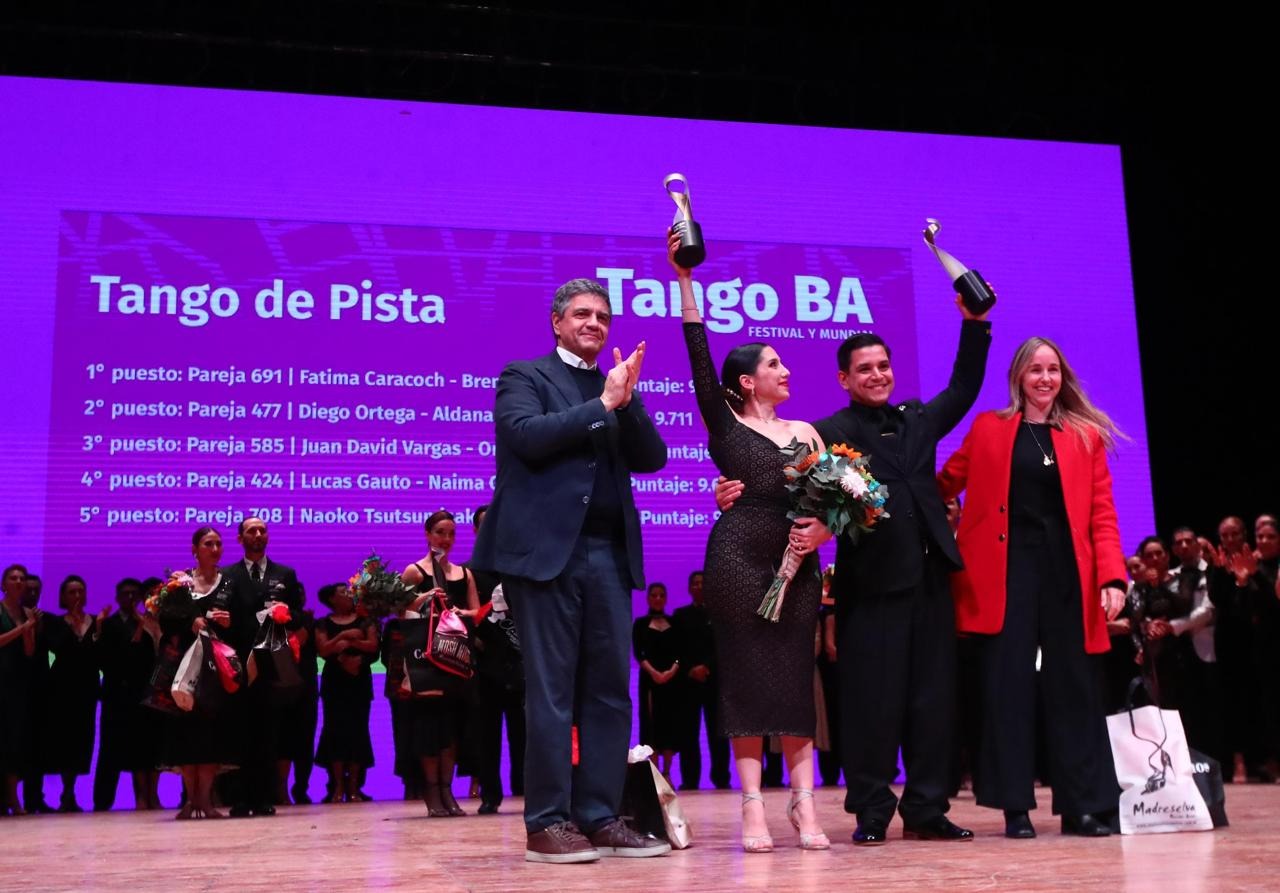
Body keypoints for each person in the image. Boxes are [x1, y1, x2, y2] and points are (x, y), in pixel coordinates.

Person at [471, 276, 670, 863]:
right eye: (582, 314)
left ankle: (601, 816)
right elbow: (524, 437)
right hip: (547, 557)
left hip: (609, 554)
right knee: (553, 693)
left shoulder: (615, 387)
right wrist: (604, 404)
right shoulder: (525, 376)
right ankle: (547, 823)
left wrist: (626, 403)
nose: (594, 324)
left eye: (603, 317)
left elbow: (653, 458)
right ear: (557, 322)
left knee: (610, 693)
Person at [671, 233, 832, 852]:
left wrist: (823, 530)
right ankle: (751, 809)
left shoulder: (807, 430)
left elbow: (842, 502)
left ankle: (804, 805)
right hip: (737, 556)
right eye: (773, 364)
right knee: (743, 677)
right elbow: (696, 352)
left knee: (794, 676)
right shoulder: (724, 419)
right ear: (745, 380)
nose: (785, 370)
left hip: (798, 564)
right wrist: (684, 279)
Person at [938, 335, 1125, 838]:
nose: (1045, 378)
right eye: (1035, 370)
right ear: (1018, 376)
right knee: (1006, 688)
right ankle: (1013, 806)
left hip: (1069, 575)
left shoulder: (1085, 436)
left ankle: (1082, 805)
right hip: (1005, 574)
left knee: (1076, 690)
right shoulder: (989, 428)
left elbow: (1103, 515)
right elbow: (943, 483)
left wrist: (1112, 577)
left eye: (1053, 370)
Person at [400, 509, 481, 817]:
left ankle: (448, 790)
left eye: (451, 533)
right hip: (426, 661)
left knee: (452, 729)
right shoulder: (414, 571)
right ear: (427, 535)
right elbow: (400, 613)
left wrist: (460, 613)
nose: (446, 539)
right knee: (428, 729)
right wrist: (424, 600)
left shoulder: (464, 573)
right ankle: (431, 792)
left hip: (457, 660)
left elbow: (476, 612)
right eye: (440, 533)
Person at [221, 515, 303, 817]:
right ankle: (240, 798)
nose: (258, 534)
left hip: (272, 662)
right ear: (240, 538)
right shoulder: (227, 575)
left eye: (262, 530)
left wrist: (284, 613)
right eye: (251, 531)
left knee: (268, 733)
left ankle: (263, 797)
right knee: (240, 731)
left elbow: (298, 613)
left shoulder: (285, 573)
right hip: (239, 661)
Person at [159, 526, 240, 820]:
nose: (215, 548)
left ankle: (205, 800)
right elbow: (165, 621)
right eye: (209, 543)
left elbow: (243, 624)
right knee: (185, 735)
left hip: (216, 668)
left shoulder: (229, 583)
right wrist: (188, 623)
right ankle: (190, 800)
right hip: (184, 667)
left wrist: (230, 623)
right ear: (195, 549)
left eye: (219, 543)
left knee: (211, 736)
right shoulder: (179, 584)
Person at [466, 503, 526, 815]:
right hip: (485, 666)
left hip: (522, 663)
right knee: (487, 734)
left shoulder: (522, 567)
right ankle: (490, 794)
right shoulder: (468, 572)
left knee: (526, 733)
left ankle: (529, 791)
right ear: (477, 531)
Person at [94, 577, 163, 811]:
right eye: (126, 594)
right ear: (118, 597)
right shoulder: (110, 624)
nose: (131, 598)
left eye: (135, 594)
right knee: (111, 751)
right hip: (116, 695)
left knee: (146, 746)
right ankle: (103, 802)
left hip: (144, 693)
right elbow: (107, 659)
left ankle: (148, 796)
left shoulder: (149, 622)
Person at [314, 583, 379, 803]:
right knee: (335, 732)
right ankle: (337, 786)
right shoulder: (323, 623)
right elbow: (323, 650)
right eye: (344, 592)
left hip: (359, 682)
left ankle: (354, 787)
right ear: (332, 599)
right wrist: (344, 637)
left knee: (358, 731)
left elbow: (373, 646)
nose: (349, 595)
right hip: (335, 684)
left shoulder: (365, 620)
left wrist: (351, 643)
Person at [42, 575, 101, 812]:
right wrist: (74, 625)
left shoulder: (97, 621)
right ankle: (66, 792)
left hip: (87, 688)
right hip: (62, 689)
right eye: (71, 592)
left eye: (80, 591)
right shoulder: (55, 622)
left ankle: (73, 788)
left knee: (83, 739)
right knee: (64, 739)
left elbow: (99, 652)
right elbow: (56, 647)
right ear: (63, 597)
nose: (77, 596)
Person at [671, 569, 730, 791]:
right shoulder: (680, 615)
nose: (699, 586)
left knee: (719, 733)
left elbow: (723, 647)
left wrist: (707, 667)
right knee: (689, 733)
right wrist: (689, 668)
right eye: (695, 583)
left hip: (714, 681)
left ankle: (722, 778)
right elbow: (676, 647)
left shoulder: (721, 615)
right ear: (689, 588)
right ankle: (690, 779)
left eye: (703, 582)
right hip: (688, 683)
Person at [0, 563, 39, 815]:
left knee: (14, 743)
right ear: (3, 584)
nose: (18, 581)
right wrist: (22, 629)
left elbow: (30, 651)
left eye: (22, 578)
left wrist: (29, 630)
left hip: (17, 685)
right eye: (13, 578)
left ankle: (13, 799)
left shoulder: (27, 612)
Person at [632, 582, 681, 779]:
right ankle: (654, 775)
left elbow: (680, 652)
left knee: (669, 724)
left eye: (662, 595)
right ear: (648, 598)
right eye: (654, 595)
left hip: (671, 682)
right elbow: (639, 653)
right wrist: (654, 673)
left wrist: (671, 671)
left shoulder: (674, 622)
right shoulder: (640, 624)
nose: (658, 598)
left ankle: (668, 772)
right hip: (650, 681)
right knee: (651, 725)